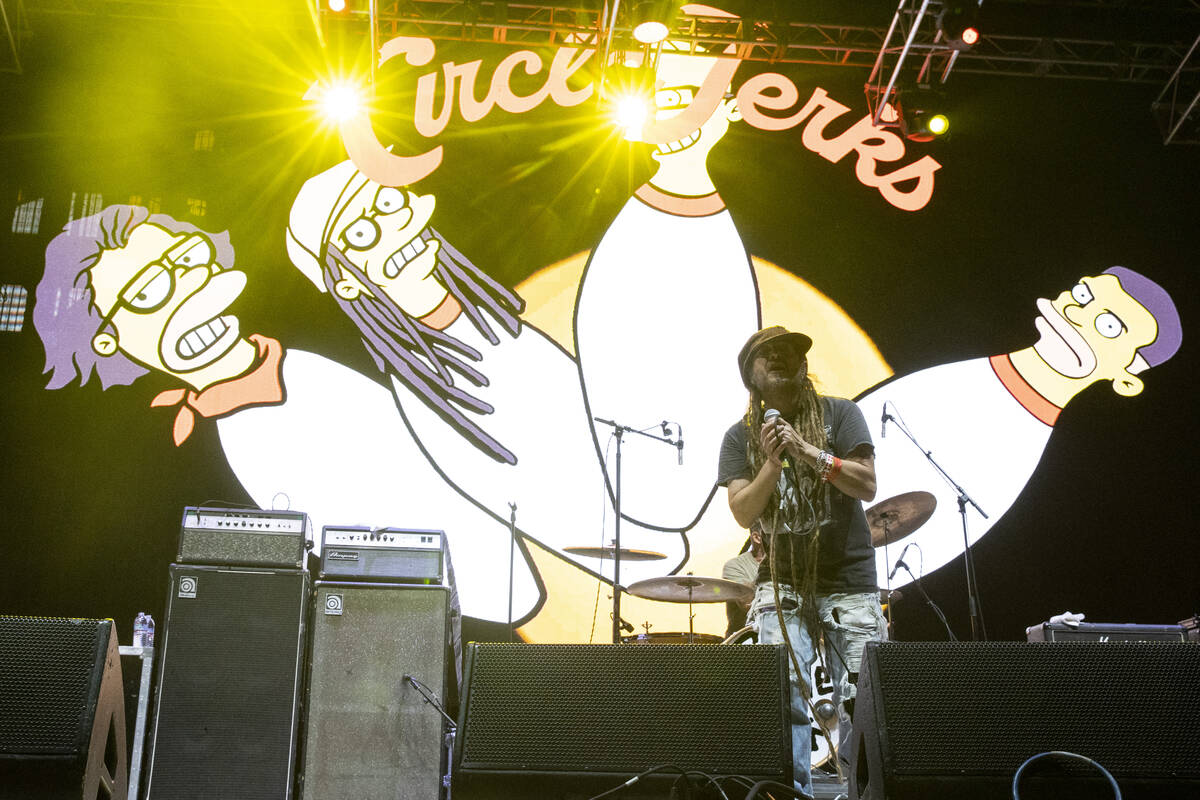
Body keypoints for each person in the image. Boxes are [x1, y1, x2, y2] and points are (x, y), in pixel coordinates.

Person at [857, 267, 1182, 590]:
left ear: (1126, 380)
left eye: (1108, 325)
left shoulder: (1016, 459)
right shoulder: (945, 383)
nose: (1074, 312)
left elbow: (919, 550)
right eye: (1083, 296)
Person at [717, 325, 886, 797]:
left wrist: (807, 451)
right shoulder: (739, 438)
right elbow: (742, 511)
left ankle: (867, 793)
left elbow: (867, 486)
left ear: (803, 366)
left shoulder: (841, 414)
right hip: (781, 580)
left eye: (789, 351)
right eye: (766, 353)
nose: (780, 356)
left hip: (849, 577)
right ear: (750, 376)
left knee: (865, 700)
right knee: (783, 695)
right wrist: (772, 462)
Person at [721, 519, 764, 637]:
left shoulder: (787, 563)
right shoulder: (734, 566)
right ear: (757, 537)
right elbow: (748, 605)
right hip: (745, 642)